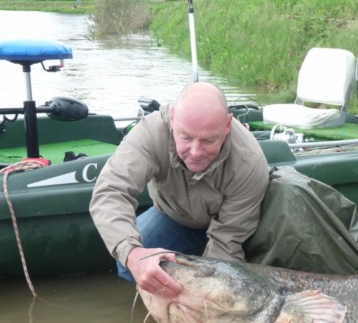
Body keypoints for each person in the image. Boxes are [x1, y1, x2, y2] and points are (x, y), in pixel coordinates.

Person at [90, 82, 270, 298]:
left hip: (232, 229)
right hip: (175, 217)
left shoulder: (249, 160)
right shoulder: (150, 133)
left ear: (228, 125)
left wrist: (203, 294)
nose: (195, 151)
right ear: (173, 119)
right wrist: (134, 255)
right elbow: (110, 191)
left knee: (218, 289)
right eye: (186, 137)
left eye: (208, 140)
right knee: (127, 265)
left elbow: (227, 242)